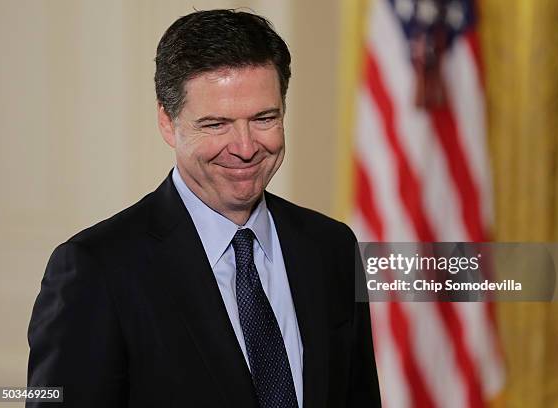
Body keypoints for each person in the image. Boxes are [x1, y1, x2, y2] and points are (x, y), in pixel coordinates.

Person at [27, 9, 380, 408]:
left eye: (264, 118)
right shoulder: (95, 269)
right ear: (167, 121)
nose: (245, 148)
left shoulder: (330, 246)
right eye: (216, 124)